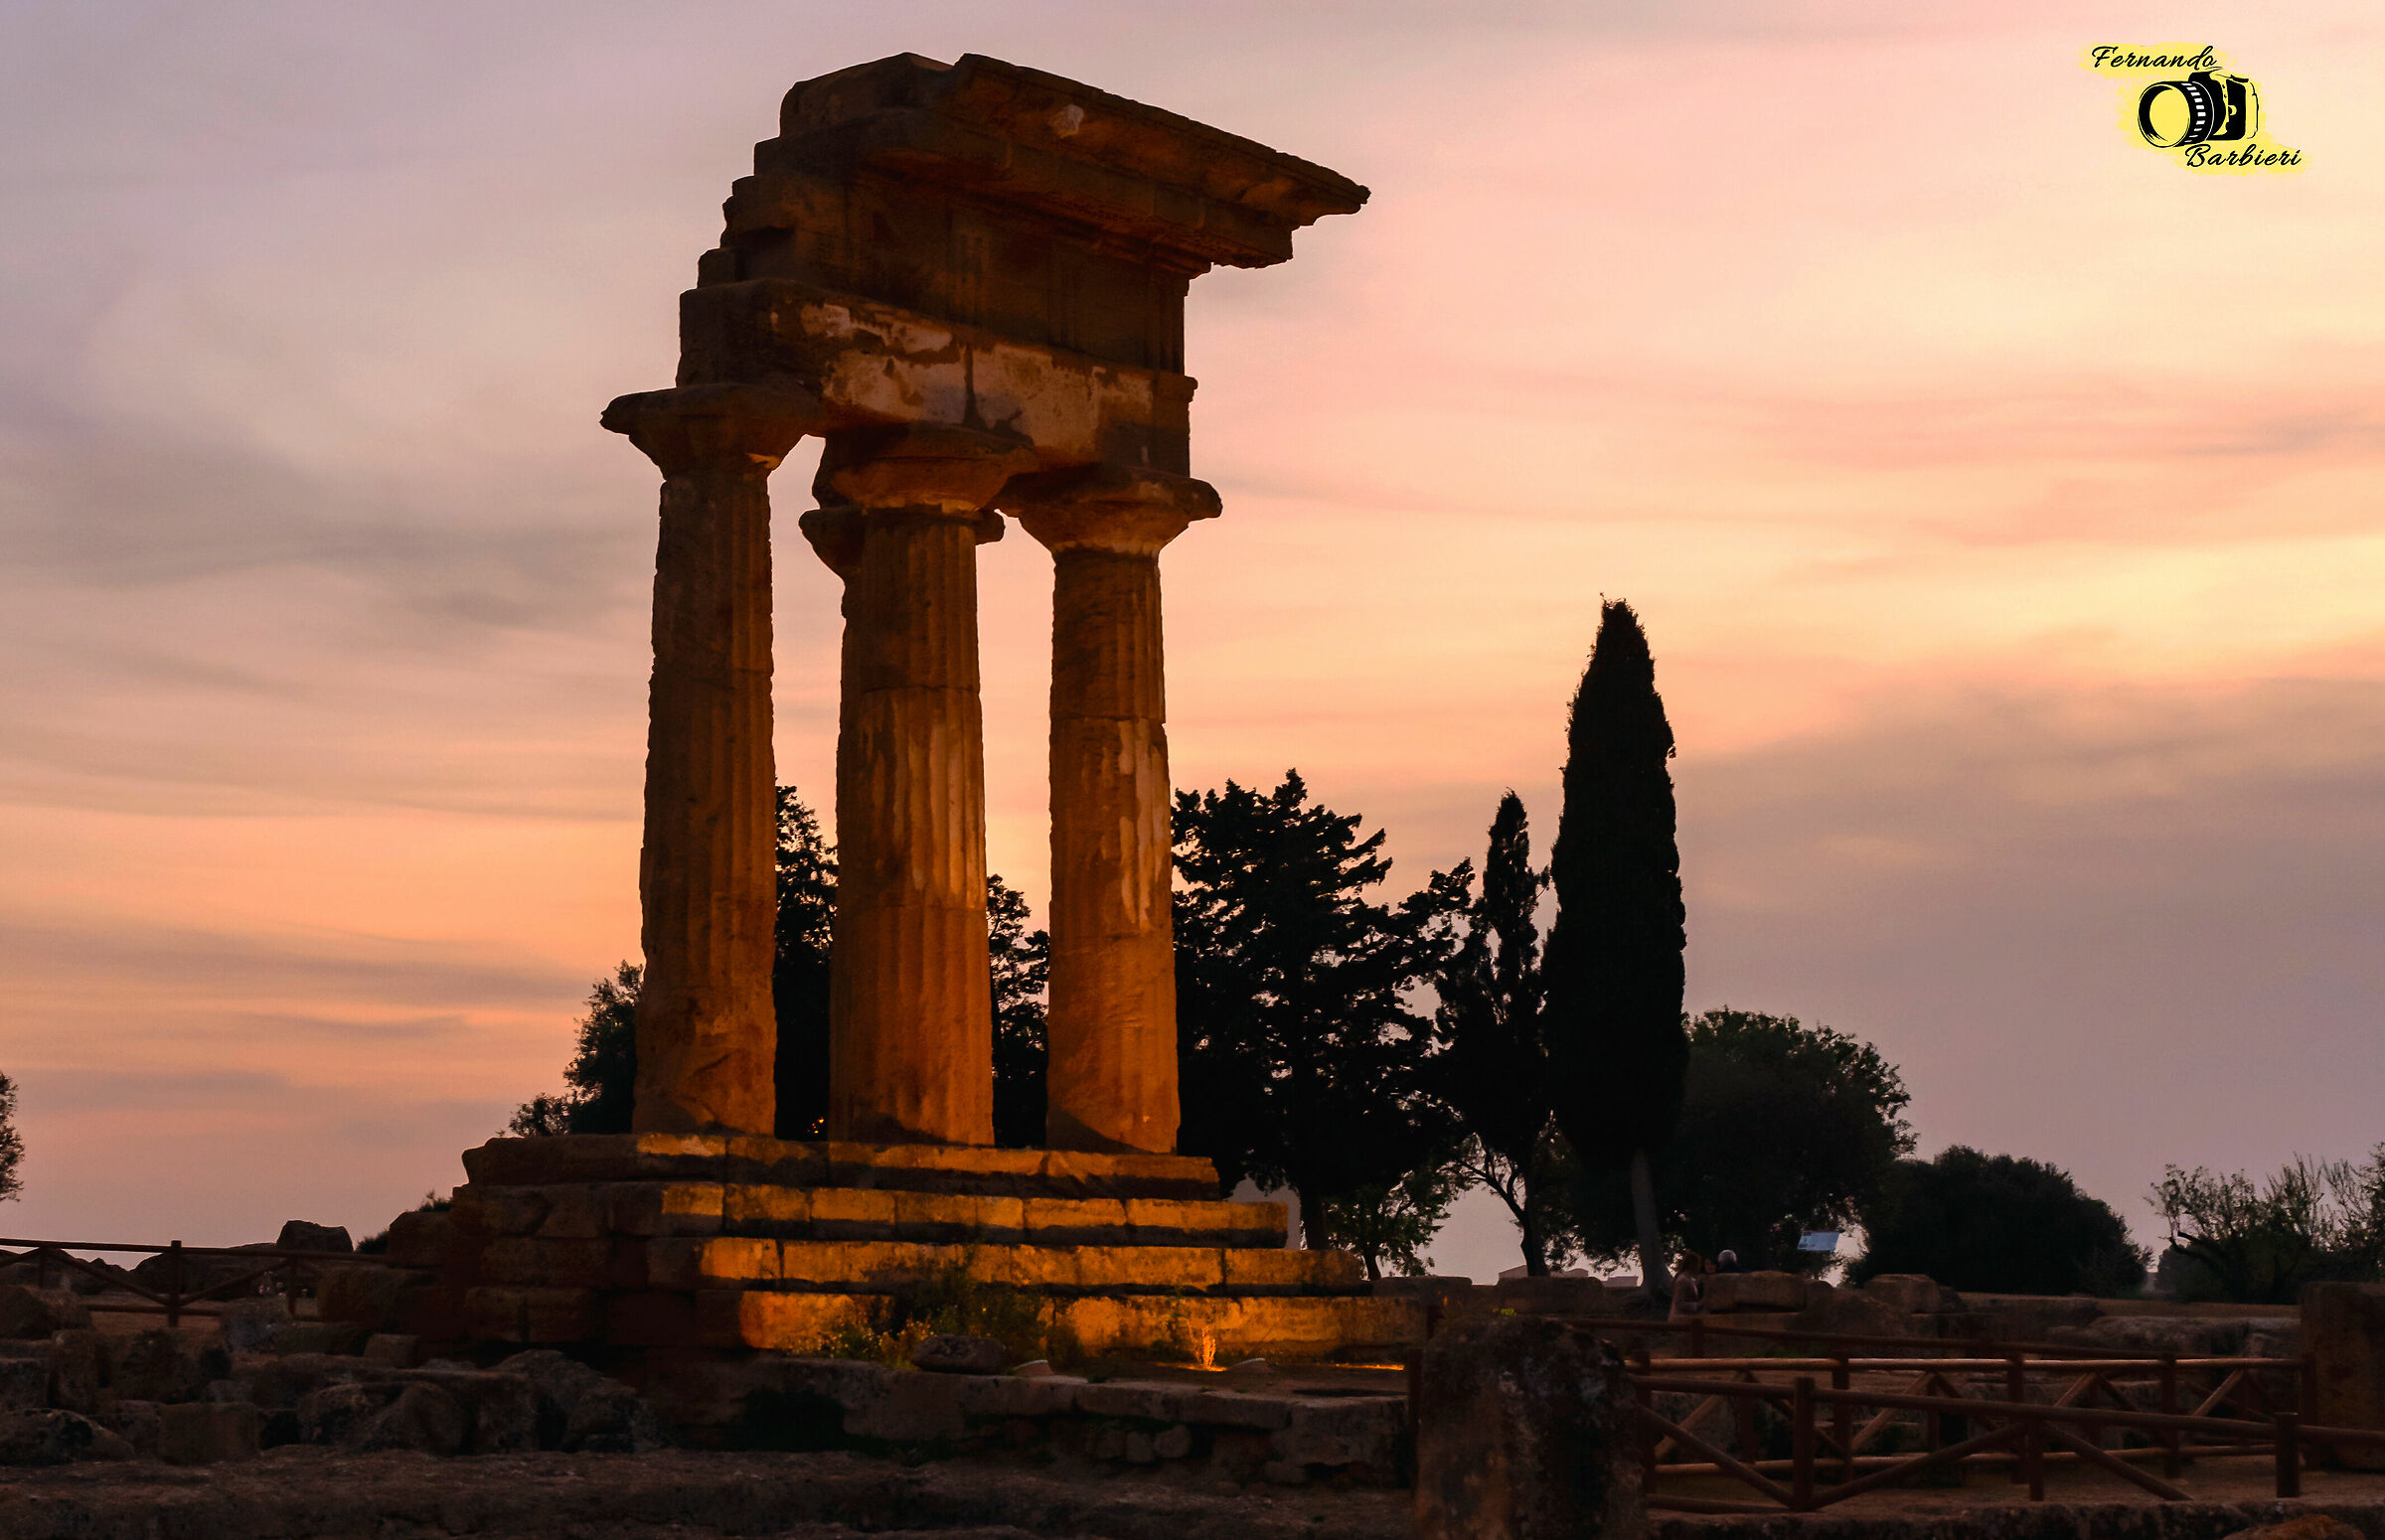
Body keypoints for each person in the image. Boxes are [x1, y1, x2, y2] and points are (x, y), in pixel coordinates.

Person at [1669, 1250, 1706, 1318]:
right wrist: (1697, 1305)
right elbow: (1679, 1303)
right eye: (1698, 1263)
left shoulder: (1690, 1279)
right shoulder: (1682, 1280)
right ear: (1692, 1265)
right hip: (1679, 1319)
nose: (1700, 1266)